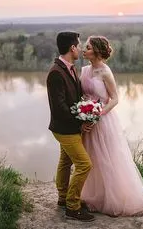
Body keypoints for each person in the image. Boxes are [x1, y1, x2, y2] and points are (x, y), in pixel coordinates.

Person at [80, 35, 143, 216]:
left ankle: (112, 198)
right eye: (84, 47)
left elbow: (115, 99)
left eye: (88, 47)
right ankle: (93, 196)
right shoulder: (83, 70)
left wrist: (99, 114)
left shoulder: (106, 72)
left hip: (104, 120)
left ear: (97, 51)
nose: (84, 50)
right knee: (91, 159)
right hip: (87, 121)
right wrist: (83, 113)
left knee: (107, 157)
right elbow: (82, 96)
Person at [46, 31, 95, 222]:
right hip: (64, 128)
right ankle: (72, 206)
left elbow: (74, 98)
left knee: (65, 162)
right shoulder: (56, 72)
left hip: (68, 127)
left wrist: (88, 108)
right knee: (84, 164)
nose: (81, 48)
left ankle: (62, 198)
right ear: (72, 48)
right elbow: (60, 108)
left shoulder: (70, 68)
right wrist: (81, 121)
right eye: (79, 45)